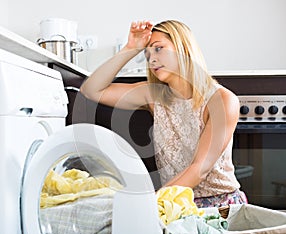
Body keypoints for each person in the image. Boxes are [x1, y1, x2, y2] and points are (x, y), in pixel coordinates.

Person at [80, 19, 248, 208]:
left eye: (158, 49)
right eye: (147, 53)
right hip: (172, 204)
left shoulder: (223, 100)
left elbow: (199, 169)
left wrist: (148, 202)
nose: (151, 59)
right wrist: (130, 48)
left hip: (220, 206)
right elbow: (91, 90)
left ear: (182, 48)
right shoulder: (154, 95)